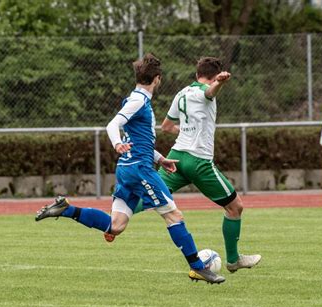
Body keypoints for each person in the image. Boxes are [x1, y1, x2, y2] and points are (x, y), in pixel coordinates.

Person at [35, 53, 225, 284]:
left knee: (115, 226)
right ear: (157, 79)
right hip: (139, 170)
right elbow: (113, 124)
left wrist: (160, 159)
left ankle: (66, 209)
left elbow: (138, 139)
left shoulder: (135, 98)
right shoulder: (139, 101)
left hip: (128, 168)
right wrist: (117, 143)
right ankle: (198, 267)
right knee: (174, 215)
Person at [158, 57, 261, 273]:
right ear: (213, 76)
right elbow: (209, 92)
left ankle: (114, 220)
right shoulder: (205, 92)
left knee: (150, 194)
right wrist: (220, 82)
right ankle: (233, 260)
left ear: (196, 75)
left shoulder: (182, 93)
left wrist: (185, 131)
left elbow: (166, 127)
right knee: (235, 207)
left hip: (176, 156)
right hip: (198, 161)